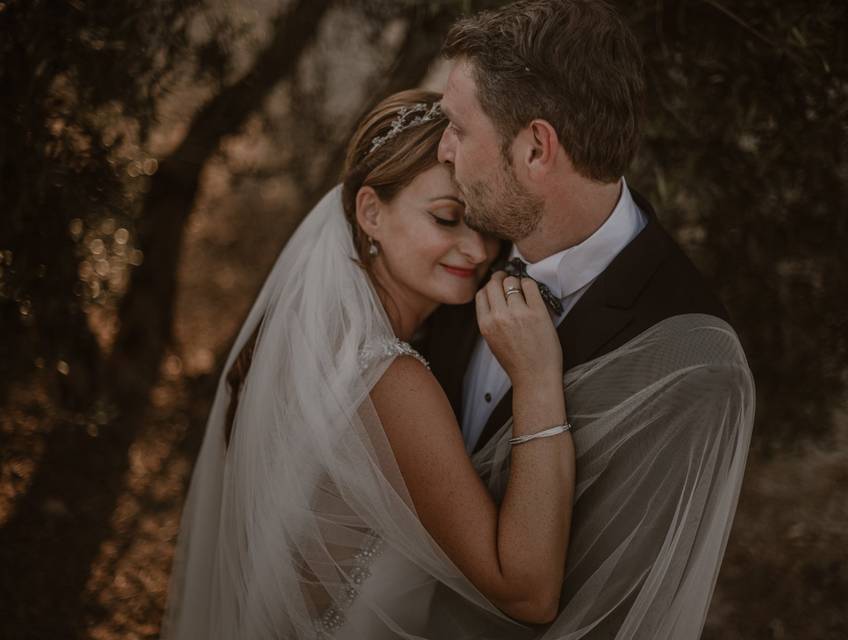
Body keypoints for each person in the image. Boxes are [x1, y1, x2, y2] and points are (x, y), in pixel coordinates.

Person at [160, 89, 578, 639]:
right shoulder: (388, 378)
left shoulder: (316, 347)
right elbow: (527, 591)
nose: (478, 251)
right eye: (447, 218)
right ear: (371, 212)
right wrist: (537, 380)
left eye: (485, 225)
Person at [420, 0, 756, 637]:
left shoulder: (694, 365)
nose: (443, 152)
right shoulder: (458, 251)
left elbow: (618, 614)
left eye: (460, 131)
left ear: (536, 150)